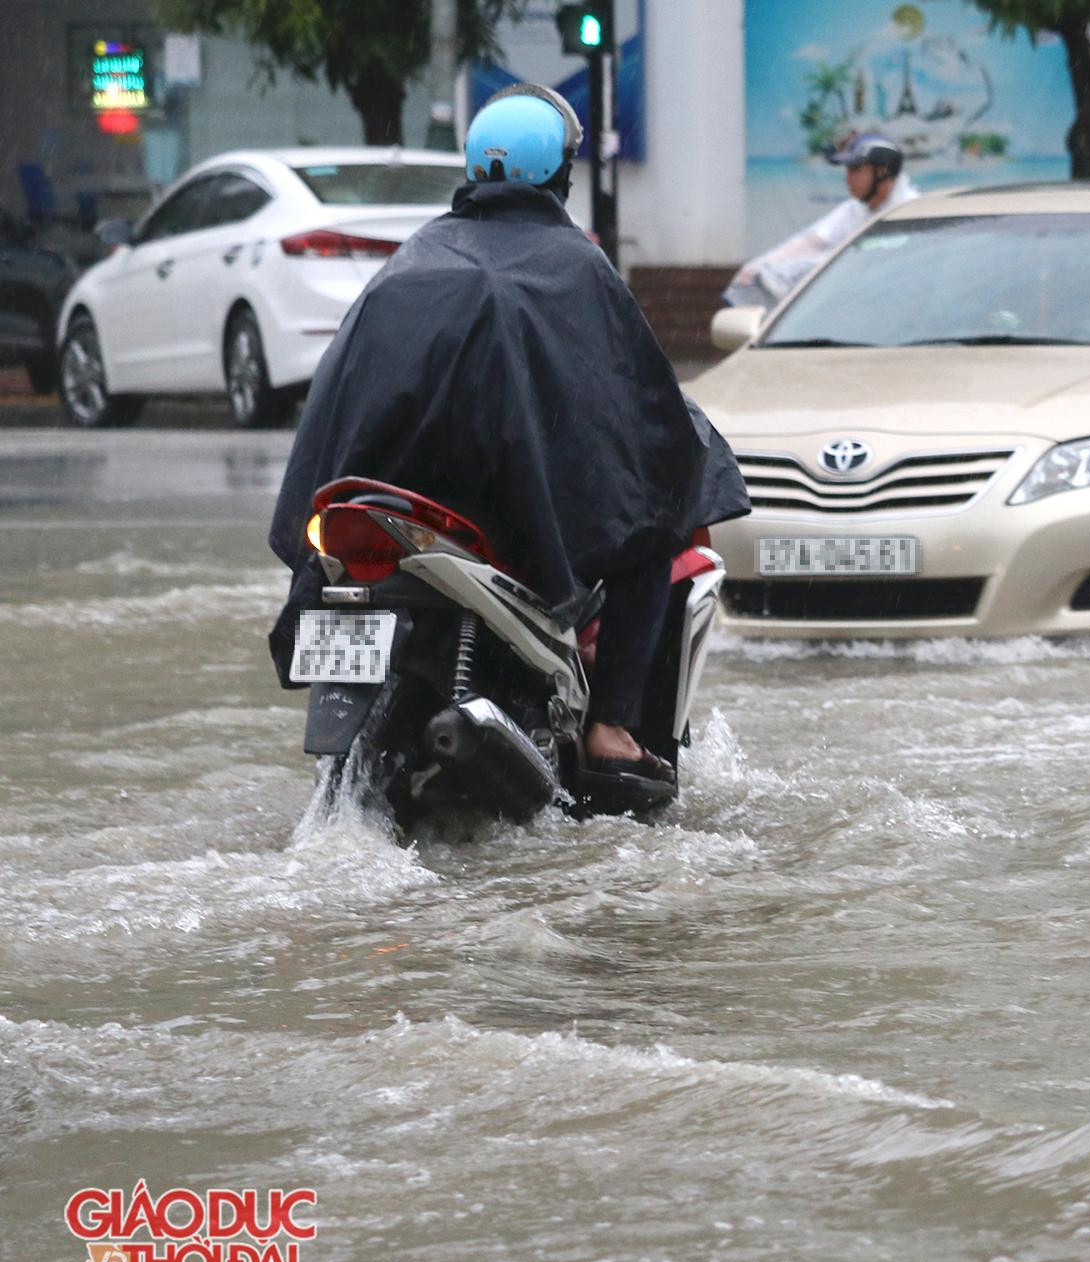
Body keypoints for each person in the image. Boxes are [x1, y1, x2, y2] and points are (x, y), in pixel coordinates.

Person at [267, 84, 749, 779]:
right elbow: (632, 411)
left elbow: (341, 404)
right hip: (511, 518)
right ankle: (611, 725)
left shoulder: (411, 261)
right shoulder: (573, 264)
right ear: (560, 173)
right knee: (657, 521)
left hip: (395, 511)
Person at [724, 132, 918, 307]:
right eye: (847, 170)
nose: (847, 179)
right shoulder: (855, 210)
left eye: (855, 169)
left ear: (882, 170)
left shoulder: (912, 211)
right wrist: (756, 270)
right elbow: (811, 242)